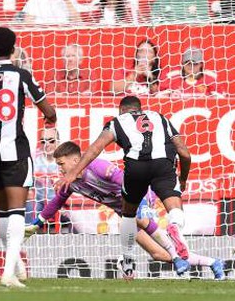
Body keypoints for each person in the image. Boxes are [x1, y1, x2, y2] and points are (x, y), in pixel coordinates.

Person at [26, 142, 224, 280]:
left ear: (77, 160)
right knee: (156, 253)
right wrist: (37, 224)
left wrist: (144, 204)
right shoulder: (70, 183)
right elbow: (56, 204)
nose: (59, 169)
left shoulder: (97, 166)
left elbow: (128, 182)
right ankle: (213, 263)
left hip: (141, 197)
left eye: (61, 164)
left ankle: (166, 255)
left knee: (131, 219)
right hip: (128, 213)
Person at [55, 96, 192, 279]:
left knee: (128, 215)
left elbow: (96, 148)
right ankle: (174, 226)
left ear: (122, 111)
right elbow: (184, 153)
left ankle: (127, 260)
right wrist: (182, 179)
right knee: (175, 208)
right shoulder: (160, 117)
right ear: (140, 108)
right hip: (163, 166)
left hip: (136, 167)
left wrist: (73, 173)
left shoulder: (117, 122)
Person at [0, 27, 57, 288]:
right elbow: (47, 109)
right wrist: (50, 118)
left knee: (1, 211)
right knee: (17, 212)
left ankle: (16, 265)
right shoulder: (21, 75)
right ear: (13, 49)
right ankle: (8, 273)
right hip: (15, 152)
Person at [158, 47, 224, 99]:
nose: (191, 66)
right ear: (183, 64)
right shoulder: (172, 77)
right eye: (188, 63)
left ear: (201, 64)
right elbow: (159, 98)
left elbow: (221, 99)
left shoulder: (210, 78)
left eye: (195, 64)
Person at [28, 127, 60, 224]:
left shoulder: (65, 158)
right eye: (43, 141)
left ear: (58, 142)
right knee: (29, 203)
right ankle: (27, 233)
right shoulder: (33, 158)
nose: (47, 145)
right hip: (39, 202)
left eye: (51, 141)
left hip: (60, 202)